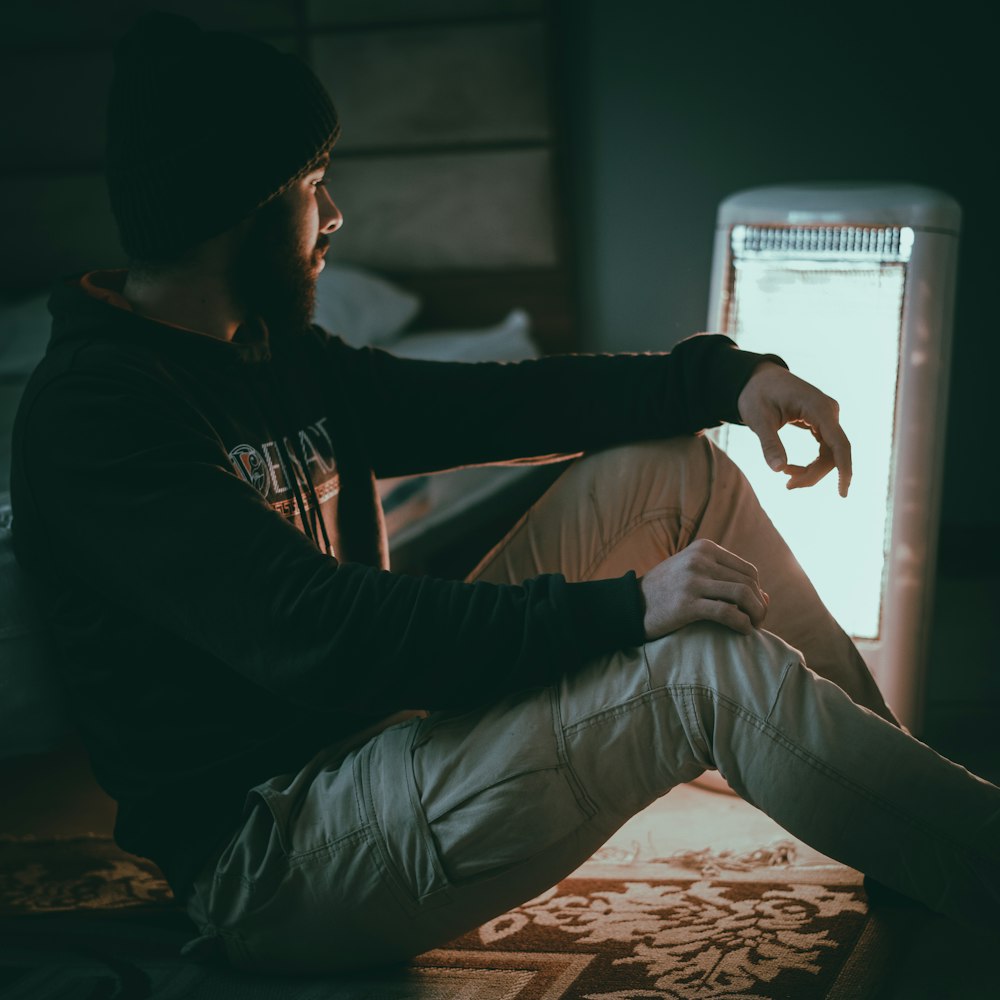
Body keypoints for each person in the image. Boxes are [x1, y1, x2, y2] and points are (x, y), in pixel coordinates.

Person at [11, 11, 998, 974]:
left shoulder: (265, 349)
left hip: (379, 736)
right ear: (247, 204)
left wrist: (726, 383)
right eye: (315, 184)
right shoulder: (98, 418)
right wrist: (624, 611)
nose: (335, 214)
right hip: (279, 852)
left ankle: (902, 816)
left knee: (671, 471)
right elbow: (321, 626)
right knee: (698, 667)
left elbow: (496, 404)